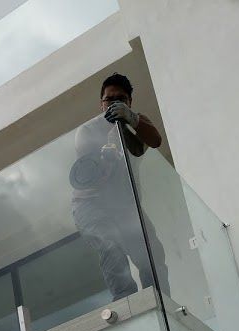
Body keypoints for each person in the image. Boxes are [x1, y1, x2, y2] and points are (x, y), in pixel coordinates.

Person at [71, 72, 169, 301]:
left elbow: (155, 141)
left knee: (152, 254)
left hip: (126, 204)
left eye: (121, 99)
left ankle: (160, 302)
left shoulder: (137, 122)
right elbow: (93, 176)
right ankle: (128, 306)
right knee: (111, 248)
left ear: (130, 102)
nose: (114, 104)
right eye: (109, 99)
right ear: (101, 103)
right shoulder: (87, 130)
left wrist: (131, 119)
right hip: (91, 204)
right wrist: (110, 148)